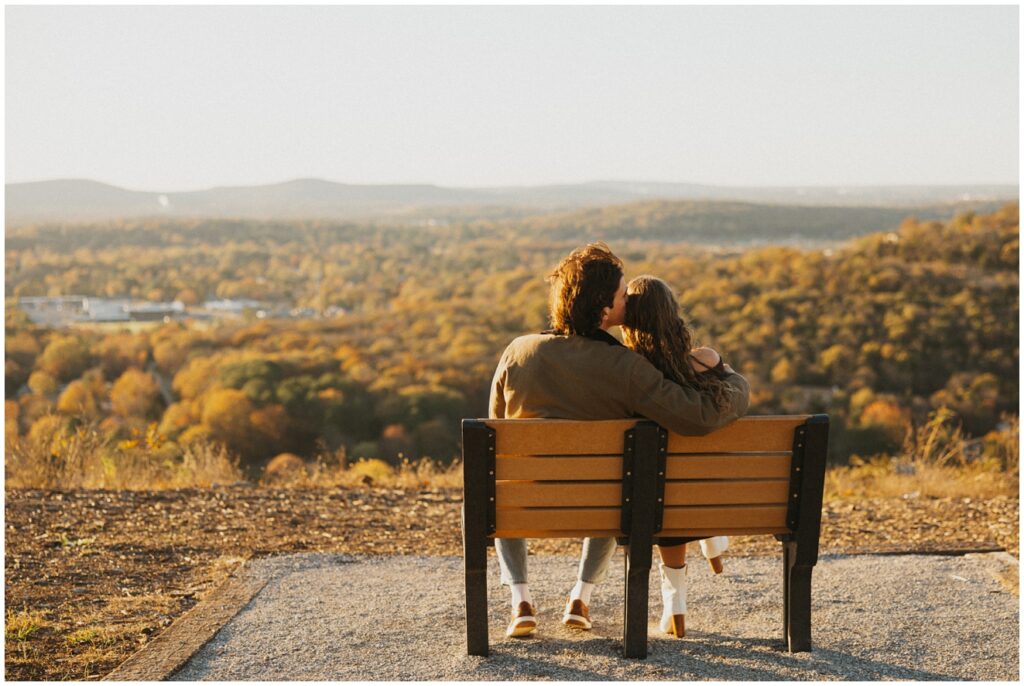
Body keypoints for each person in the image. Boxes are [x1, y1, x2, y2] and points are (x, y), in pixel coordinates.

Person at [488, 243, 750, 639]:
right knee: (615, 481)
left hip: (524, 503)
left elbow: (495, 433)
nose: (628, 300)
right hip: (600, 505)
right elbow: (696, 416)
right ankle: (581, 595)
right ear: (604, 308)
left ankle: (521, 600)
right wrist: (734, 381)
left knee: (501, 480)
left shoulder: (518, 352)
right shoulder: (626, 366)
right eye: (623, 295)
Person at [621, 274, 735, 638]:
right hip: (705, 484)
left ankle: (675, 604)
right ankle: (710, 531)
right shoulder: (706, 360)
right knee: (685, 476)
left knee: (663, 487)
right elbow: (730, 404)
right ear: (673, 314)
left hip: (654, 498)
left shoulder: (631, 376)